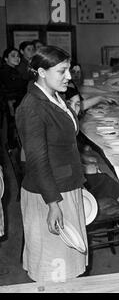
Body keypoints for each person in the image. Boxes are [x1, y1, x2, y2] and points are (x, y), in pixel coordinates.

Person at [15, 46, 87, 282]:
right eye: (62, 71)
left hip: (65, 185)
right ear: (42, 72)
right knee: (53, 265)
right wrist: (53, 203)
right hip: (49, 193)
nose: (69, 76)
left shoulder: (55, 96)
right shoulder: (32, 107)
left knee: (67, 261)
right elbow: (37, 160)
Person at [0, 47, 28, 149]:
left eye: (18, 56)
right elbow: (14, 87)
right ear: (6, 58)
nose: (17, 58)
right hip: (8, 105)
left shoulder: (13, 70)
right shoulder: (5, 71)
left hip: (14, 104)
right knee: (10, 131)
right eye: (13, 56)